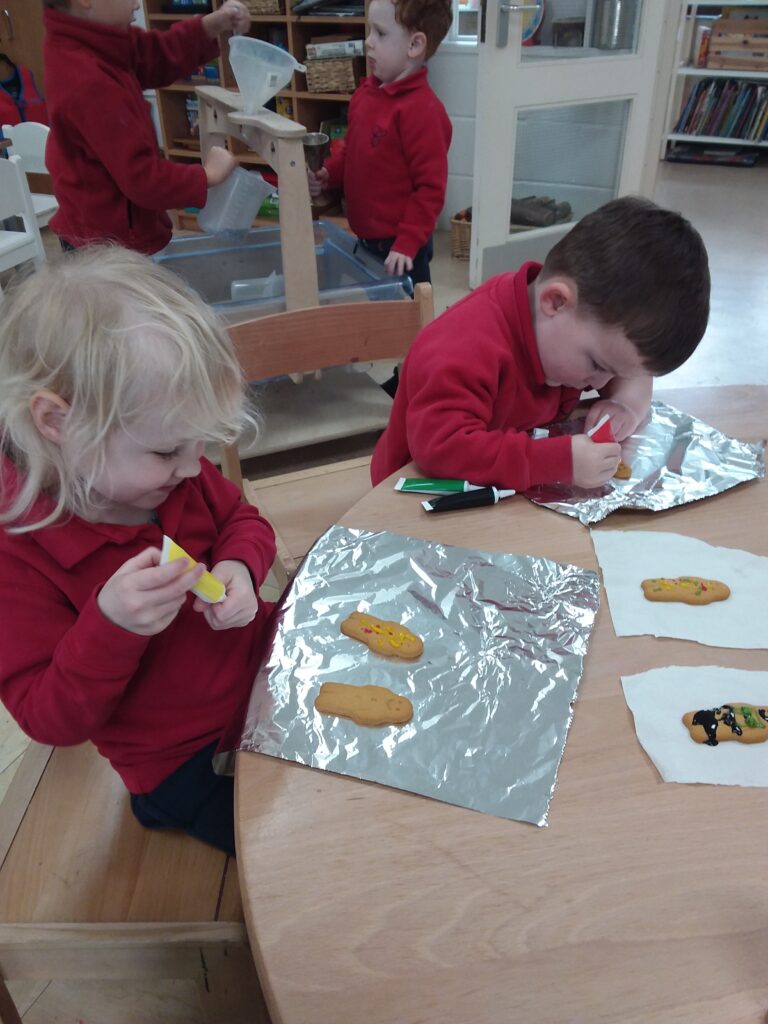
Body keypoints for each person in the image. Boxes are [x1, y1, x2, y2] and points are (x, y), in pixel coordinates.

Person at [0, 247, 277, 857]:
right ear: (58, 423)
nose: (191, 467)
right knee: (287, 847)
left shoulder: (176, 473)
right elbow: (49, 719)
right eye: (166, 450)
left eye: (198, 445)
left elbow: (242, 518)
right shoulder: (20, 552)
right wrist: (112, 625)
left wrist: (238, 566)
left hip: (263, 677)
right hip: (182, 761)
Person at [370, 196, 711, 490]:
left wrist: (626, 406)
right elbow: (440, 450)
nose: (599, 384)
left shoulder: (579, 330)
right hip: (418, 494)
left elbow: (633, 370)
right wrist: (556, 461)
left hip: (503, 489)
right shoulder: (462, 348)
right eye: (597, 365)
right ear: (556, 302)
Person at [41, 0, 250, 254]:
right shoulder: (86, 79)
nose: (137, 3)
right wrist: (207, 175)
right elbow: (142, 179)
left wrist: (211, 25)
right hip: (106, 247)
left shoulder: (98, 41)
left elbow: (154, 54)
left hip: (113, 229)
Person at [308, 0, 453, 286]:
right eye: (369, 30)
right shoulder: (366, 94)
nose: (368, 42)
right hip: (367, 237)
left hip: (401, 246)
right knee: (380, 308)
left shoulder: (423, 112)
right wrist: (329, 174)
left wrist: (407, 243)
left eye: (380, 33)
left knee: (410, 313)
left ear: (415, 45)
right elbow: (352, 151)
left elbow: (430, 189)